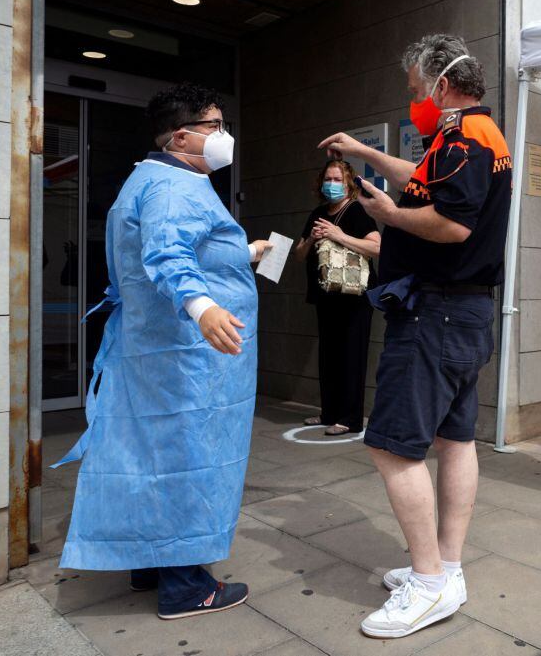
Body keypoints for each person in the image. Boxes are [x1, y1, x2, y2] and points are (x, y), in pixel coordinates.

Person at [52, 83, 272, 620]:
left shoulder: (149, 178)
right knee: (189, 459)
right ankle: (185, 585)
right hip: (186, 357)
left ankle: (149, 562)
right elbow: (168, 251)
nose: (224, 136)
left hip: (156, 350)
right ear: (182, 136)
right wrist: (203, 308)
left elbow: (182, 247)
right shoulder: (176, 186)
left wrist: (242, 253)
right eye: (215, 125)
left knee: (151, 456)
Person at [318, 34, 511, 639]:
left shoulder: (462, 139)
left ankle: (428, 584)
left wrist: (390, 217)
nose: (413, 102)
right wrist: (366, 156)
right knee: (455, 438)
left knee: (393, 446)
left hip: (437, 313)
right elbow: (424, 179)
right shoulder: (479, 136)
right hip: (463, 312)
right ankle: (445, 570)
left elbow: (451, 225)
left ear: (441, 85)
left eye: (414, 90)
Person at [292, 160, 380, 435]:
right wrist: (311, 240)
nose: (331, 184)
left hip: (355, 297)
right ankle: (328, 412)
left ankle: (350, 418)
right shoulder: (318, 213)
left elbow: (376, 247)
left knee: (351, 355)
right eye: (328, 179)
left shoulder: (357, 211)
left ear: (349, 184)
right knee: (328, 355)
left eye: (337, 179)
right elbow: (299, 253)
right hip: (326, 294)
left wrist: (339, 235)